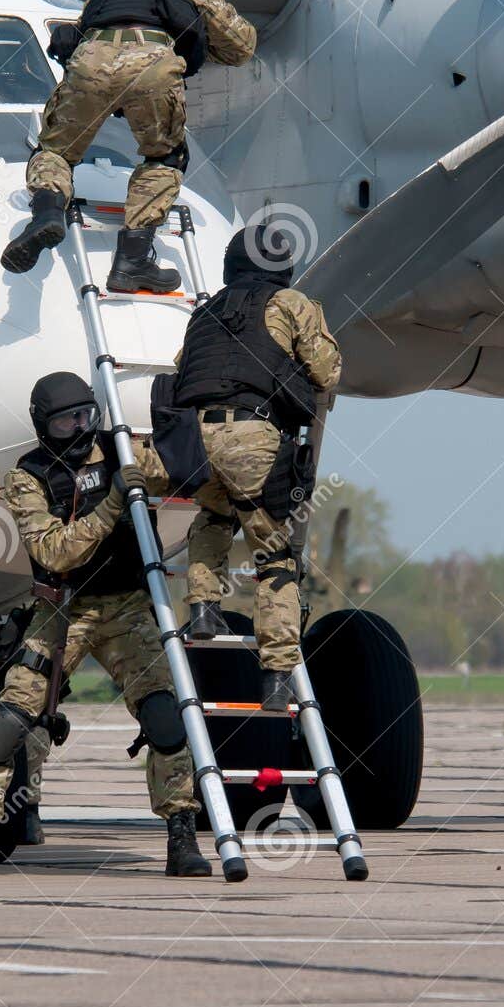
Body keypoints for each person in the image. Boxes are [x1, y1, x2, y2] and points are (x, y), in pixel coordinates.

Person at [0, 370, 211, 880]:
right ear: (45, 426)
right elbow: (53, 552)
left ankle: (181, 833)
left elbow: (184, 473)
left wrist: (183, 421)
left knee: (165, 718)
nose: (79, 428)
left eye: (85, 416)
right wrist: (113, 503)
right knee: (7, 725)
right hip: (62, 608)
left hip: (129, 606)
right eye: (66, 421)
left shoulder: (120, 451)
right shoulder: (28, 477)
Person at [1, 0, 257, 294]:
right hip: (153, 63)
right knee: (164, 159)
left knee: (55, 149)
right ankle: (133, 261)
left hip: (91, 59)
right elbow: (241, 46)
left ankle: (47, 212)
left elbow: (83, 31)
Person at [171, 225, 341, 710]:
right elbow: (327, 371)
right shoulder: (291, 304)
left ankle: (203, 608)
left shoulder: (205, 311)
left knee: (214, 517)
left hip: (196, 443)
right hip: (253, 436)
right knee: (276, 559)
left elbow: (183, 367)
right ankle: (276, 677)